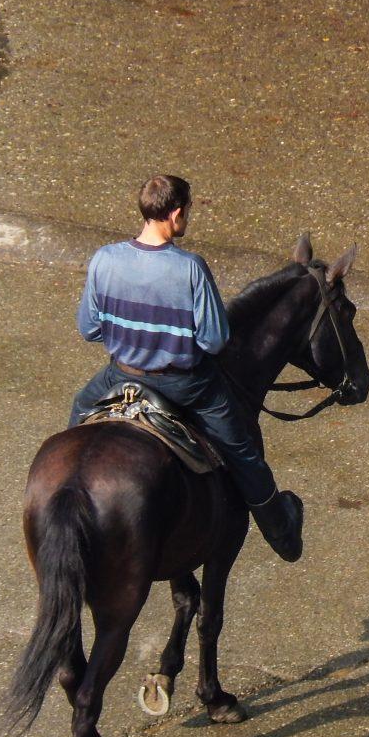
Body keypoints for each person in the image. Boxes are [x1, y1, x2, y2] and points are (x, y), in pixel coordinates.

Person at [67, 174, 304, 562]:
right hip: (185, 385)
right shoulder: (190, 268)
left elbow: (88, 328)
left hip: (120, 375)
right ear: (175, 214)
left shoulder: (104, 259)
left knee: (78, 420)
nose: (187, 219)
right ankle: (282, 533)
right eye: (187, 212)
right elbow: (214, 339)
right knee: (243, 451)